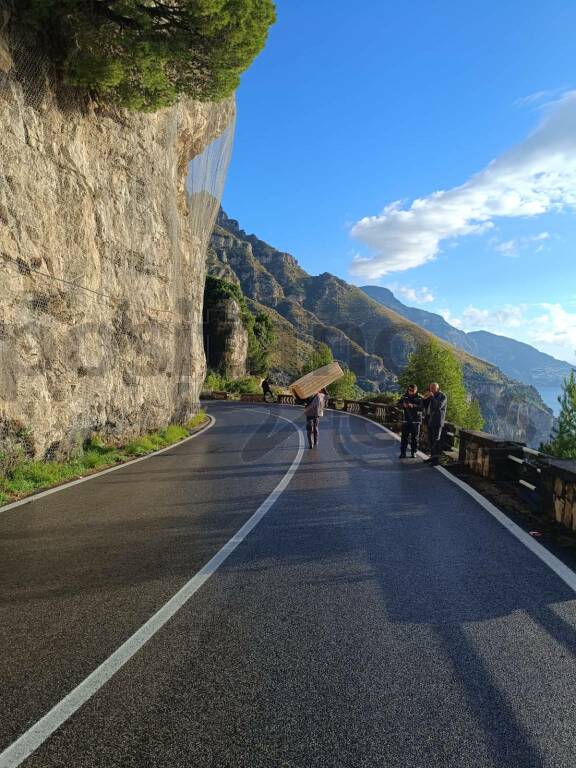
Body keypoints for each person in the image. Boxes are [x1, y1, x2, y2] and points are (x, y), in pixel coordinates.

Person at [423, 382, 447, 466]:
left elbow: (438, 406)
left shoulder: (442, 396)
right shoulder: (431, 396)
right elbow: (424, 406)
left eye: (433, 388)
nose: (431, 390)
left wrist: (432, 397)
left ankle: (436, 460)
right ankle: (432, 457)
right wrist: (425, 398)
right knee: (430, 440)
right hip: (430, 421)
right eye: (430, 388)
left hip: (437, 422)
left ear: (437, 388)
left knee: (436, 441)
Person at [398, 384, 423, 458]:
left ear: (416, 390)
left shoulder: (420, 398)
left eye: (412, 390)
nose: (410, 391)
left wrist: (413, 406)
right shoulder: (404, 396)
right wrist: (403, 405)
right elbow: (398, 404)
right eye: (409, 390)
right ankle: (403, 453)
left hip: (416, 421)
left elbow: (422, 408)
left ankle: (413, 452)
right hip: (406, 420)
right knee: (404, 437)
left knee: (415, 438)